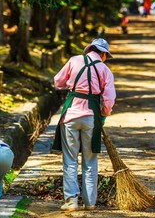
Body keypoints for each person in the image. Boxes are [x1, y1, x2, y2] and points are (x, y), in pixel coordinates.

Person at [52, 38, 116, 211]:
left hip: (71, 116)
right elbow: (109, 99)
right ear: (103, 53)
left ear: (89, 49)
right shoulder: (105, 70)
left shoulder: (74, 60)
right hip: (91, 118)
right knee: (90, 161)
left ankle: (71, 201)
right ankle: (90, 203)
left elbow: (58, 81)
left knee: (70, 160)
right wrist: (103, 114)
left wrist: (72, 83)